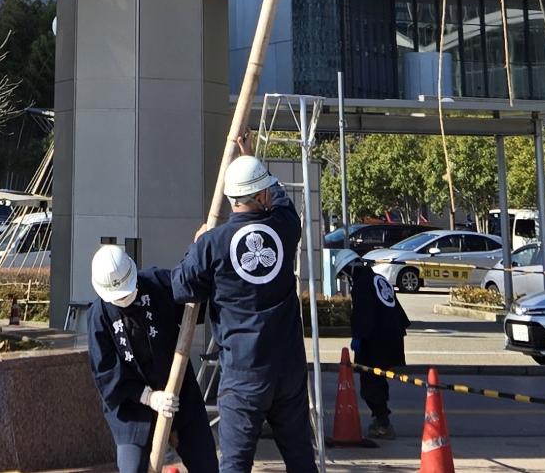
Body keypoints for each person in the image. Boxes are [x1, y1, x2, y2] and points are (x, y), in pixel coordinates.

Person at [174, 151, 318, 473]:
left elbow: (181, 287)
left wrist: (195, 246)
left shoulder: (212, 244)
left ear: (230, 198)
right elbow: (280, 199)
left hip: (243, 371)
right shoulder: (284, 227)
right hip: (288, 369)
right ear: (262, 195)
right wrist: (251, 159)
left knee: (236, 465)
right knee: (301, 461)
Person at [86, 245, 218, 473]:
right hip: (133, 408)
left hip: (179, 392)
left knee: (205, 463)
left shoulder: (157, 283)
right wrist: (149, 397)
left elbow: (190, 288)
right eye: (119, 296)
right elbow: (105, 374)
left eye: (127, 292)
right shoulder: (99, 316)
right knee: (132, 468)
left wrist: (198, 254)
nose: (124, 298)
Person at [345, 257, 409, 438]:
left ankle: (383, 422)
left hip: (375, 340)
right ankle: (381, 419)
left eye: (344, 273)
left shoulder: (362, 285)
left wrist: (359, 336)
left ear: (351, 269)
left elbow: (363, 313)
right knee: (379, 379)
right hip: (392, 336)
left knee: (370, 382)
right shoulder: (378, 278)